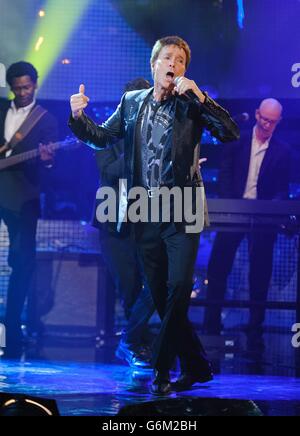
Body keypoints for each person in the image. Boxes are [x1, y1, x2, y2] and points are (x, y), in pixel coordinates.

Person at [69, 35, 239, 395]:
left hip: (184, 207)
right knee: (162, 296)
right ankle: (195, 365)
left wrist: (202, 98)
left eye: (180, 61)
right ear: (154, 65)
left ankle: (163, 370)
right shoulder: (132, 102)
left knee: (178, 287)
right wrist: (78, 116)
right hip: (145, 209)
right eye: (168, 58)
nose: (173, 65)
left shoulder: (191, 104)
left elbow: (229, 133)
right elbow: (101, 138)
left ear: (184, 70)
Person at [204, 98, 291, 349]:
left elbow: (281, 190)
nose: (267, 124)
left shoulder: (283, 152)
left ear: (278, 122)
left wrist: (272, 207)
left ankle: (255, 325)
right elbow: (224, 178)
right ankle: (211, 323)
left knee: (260, 271)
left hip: (262, 218)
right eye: (264, 118)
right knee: (219, 267)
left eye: (272, 121)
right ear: (256, 114)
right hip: (233, 212)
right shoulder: (236, 141)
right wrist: (233, 206)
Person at [94, 78, 156, 369]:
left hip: (148, 221)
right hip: (114, 224)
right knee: (129, 286)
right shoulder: (106, 133)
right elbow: (108, 172)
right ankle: (136, 345)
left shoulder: (160, 134)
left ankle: (132, 340)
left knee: (158, 285)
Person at [0, 61, 58, 355]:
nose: (22, 93)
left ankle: (12, 331)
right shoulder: (0, 110)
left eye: (27, 87)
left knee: (22, 262)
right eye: (17, 88)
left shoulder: (45, 120)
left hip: (24, 197)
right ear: (10, 88)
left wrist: (47, 159)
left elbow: (52, 171)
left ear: (35, 85)